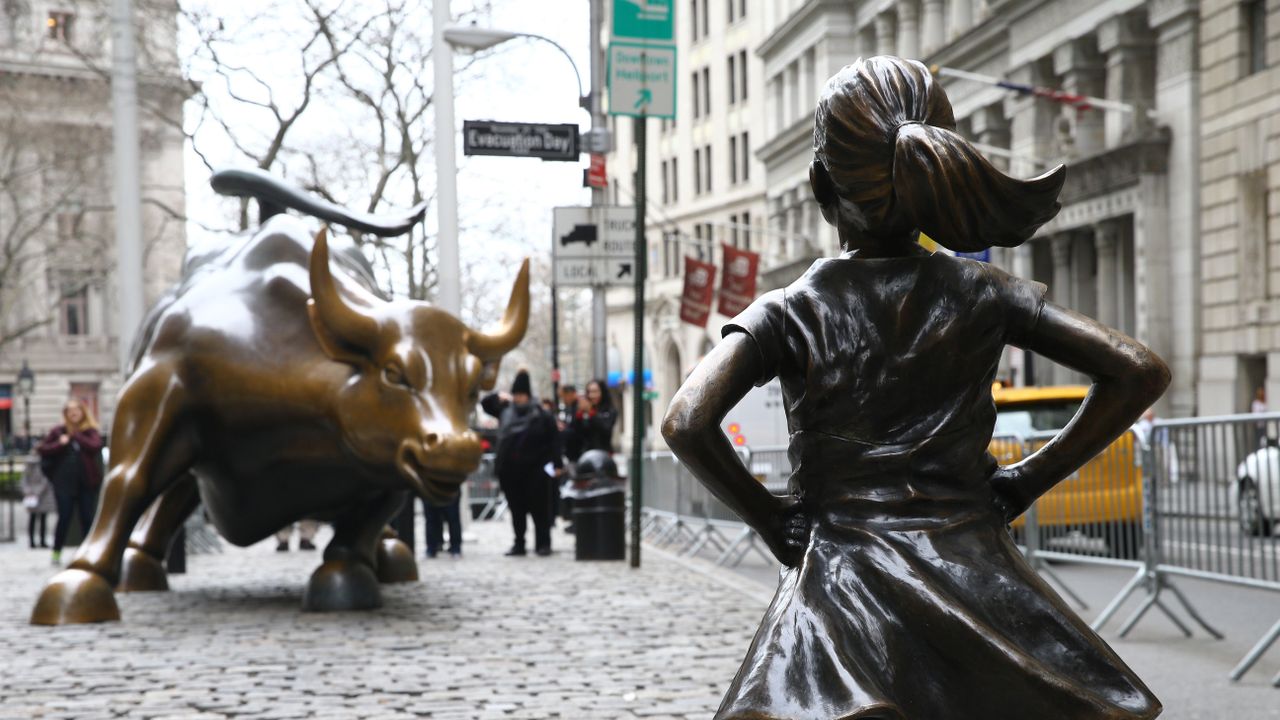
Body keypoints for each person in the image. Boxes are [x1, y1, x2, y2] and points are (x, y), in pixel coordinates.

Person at [662, 57, 1166, 720]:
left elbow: (687, 421)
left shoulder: (788, 309)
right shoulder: (984, 293)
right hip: (975, 576)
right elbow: (1137, 369)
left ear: (820, 186)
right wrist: (1022, 484)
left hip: (838, 585)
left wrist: (773, 520)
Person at [482, 370, 560, 556]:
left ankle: (543, 544)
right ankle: (519, 543)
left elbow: (554, 441)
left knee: (540, 511)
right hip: (511, 472)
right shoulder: (506, 412)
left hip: (536, 472)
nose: (518, 399)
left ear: (528, 395)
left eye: (521, 395)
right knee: (517, 512)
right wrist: (499, 395)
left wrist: (555, 465)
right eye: (515, 395)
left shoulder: (542, 415)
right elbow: (485, 403)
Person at [37, 397, 105, 566]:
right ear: (65, 414)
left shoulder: (89, 431)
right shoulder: (58, 431)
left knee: (87, 517)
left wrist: (76, 435)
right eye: (70, 411)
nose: (73, 413)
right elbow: (43, 449)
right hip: (64, 483)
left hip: (85, 482)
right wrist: (60, 443)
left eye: (77, 410)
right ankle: (56, 552)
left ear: (83, 412)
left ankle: (89, 552)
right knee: (64, 517)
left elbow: (95, 446)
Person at [568, 379, 617, 454]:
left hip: (603, 453)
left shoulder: (610, 410)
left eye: (595, 391)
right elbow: (575, 432)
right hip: (585, 453)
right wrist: (579, 414)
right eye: (589, 392)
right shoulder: (582, 410)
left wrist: (591, 412)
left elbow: (606, 429)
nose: (591, 395)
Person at [21, 458, 55, 549]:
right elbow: (24, 480)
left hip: (41, 496)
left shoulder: (42, 464)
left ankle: (40, 541)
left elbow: (45, 480)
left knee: (40, 519)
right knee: (35, 519)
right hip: (34, 496)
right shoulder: (32, 465)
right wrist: (31, 492)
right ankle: (34, 541)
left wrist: (32, 492)